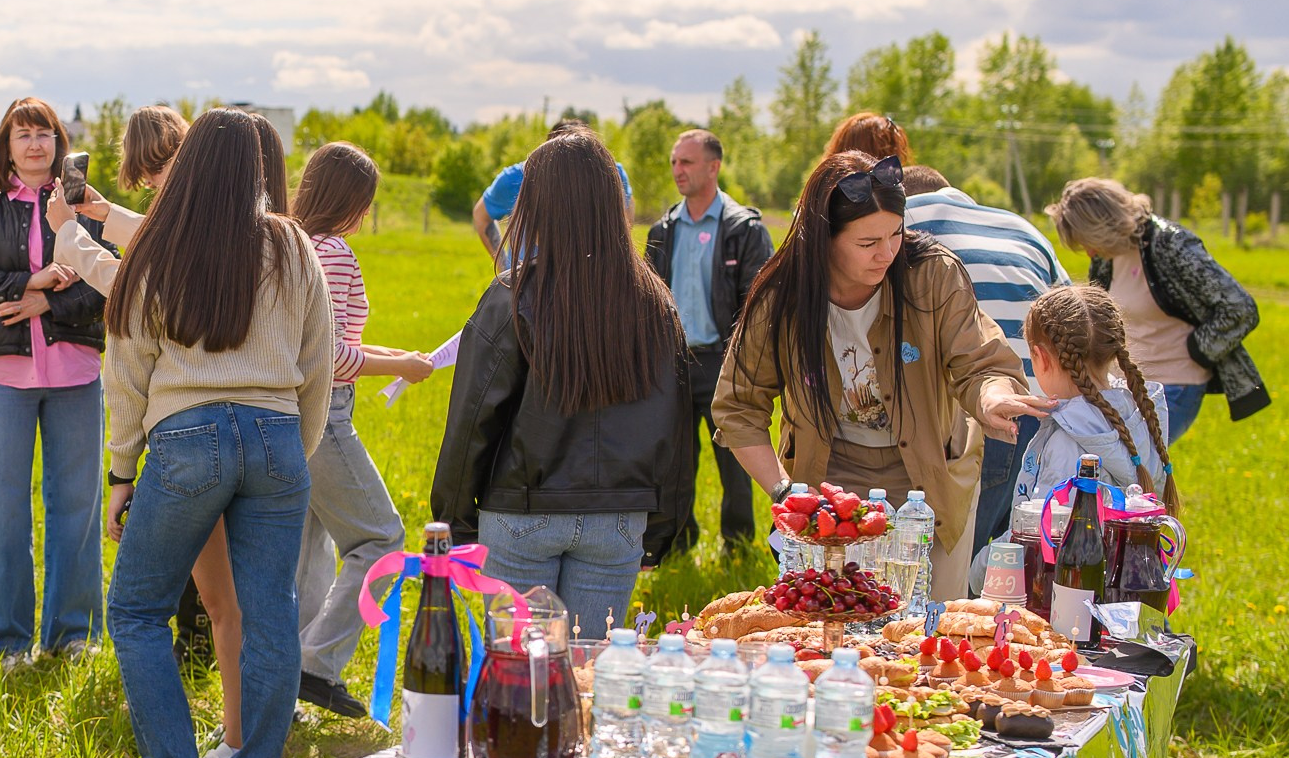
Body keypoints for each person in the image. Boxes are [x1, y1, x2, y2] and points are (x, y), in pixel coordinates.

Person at [104, 108, 334, 758]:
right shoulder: (293, 245)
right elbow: (316, 360)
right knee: (273, 615)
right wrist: (295, 452)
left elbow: (129, 368)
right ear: (259, 169)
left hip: (185, 436)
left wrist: (120, 472)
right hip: (276, 434)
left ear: (190, 162)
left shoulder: (159, 246)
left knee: (138, 607)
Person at [713, 152, 1052, 601]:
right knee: (834, 624)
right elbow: (738, 406)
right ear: (824, 238)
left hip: (930, 482)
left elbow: (980, 361)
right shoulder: (782, 298)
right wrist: (785, 492)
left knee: (928, 633)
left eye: (896, 233)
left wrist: (991, 398)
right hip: (829, 486)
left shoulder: (933, 274)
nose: (887, 253)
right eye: (868, 242)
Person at [431, 126, 690, 639]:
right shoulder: (655, 302)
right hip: (617, 520)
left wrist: (454, 522)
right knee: (587, 682)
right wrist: (661, 528)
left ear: (538, 204)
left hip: (522, 513)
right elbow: (674, 427)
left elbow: (471, 420)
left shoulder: (512, 295)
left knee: (518, 687)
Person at [0, 97, 110, 665]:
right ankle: (3, 641)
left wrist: (44, 306)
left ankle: (73, 637)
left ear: (61, 143)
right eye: (23, 134)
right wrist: (25, 282)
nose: (35, 143)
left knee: (76, 509)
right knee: (3, 510)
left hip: (77, 376)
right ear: (5, 146)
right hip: (3, 378)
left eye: (45, 133)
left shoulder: (89, 210)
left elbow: (109, 289)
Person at [864, 118, 1071, 553]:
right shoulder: (1025, 230)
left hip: (956, 417)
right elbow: (1071, 317)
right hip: (1035, 410)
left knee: (941, 563)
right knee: (1007, 560)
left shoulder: (900, 223)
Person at [288, 144, 431, 720]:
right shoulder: (338, 254)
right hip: (326, 412)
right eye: (365, 203)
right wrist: (399, 366)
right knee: (381, 538)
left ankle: (285, 677)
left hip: (291, 412)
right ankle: (316, 666)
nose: (367, 215)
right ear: (351, 200)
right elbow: (333, 358)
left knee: (308, 549)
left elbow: (322, 346)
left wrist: (398, 354)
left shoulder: (295, 245)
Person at [1047, 177, 1269, 439]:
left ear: (1103, 226)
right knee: (1120, 469)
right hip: (1124, 384)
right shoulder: (1108, 255)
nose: (1088, 252)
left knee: (1131, 465)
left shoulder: (1170, 245)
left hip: (1174, 386)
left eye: (1087, 241)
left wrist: (1196, 351)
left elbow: (1239, 308)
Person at [642, 127, 773, 554]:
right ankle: (678, 543)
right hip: (674, 363)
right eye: (674, 162)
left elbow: (757, 305)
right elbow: (648, 296)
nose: (677, 170)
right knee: (675, 462)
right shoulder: (664, 227)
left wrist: (744, 362)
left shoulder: (743, 229)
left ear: (713, 167)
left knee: (736, 457)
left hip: (724, 361)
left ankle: (738, 545)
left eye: (687, 162)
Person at [1009, 283, 1176, 519]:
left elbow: (1046, 534)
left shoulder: (1067, 441)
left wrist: (983, 557)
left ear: (1042, 358)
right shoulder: (1141, 419)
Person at [471, 118, 632, 263]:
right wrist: (504, 267)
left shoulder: (611, 173)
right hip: (527, 288)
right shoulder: (516, 178)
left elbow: (625, 220)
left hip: (592, 283)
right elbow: (481, 216)